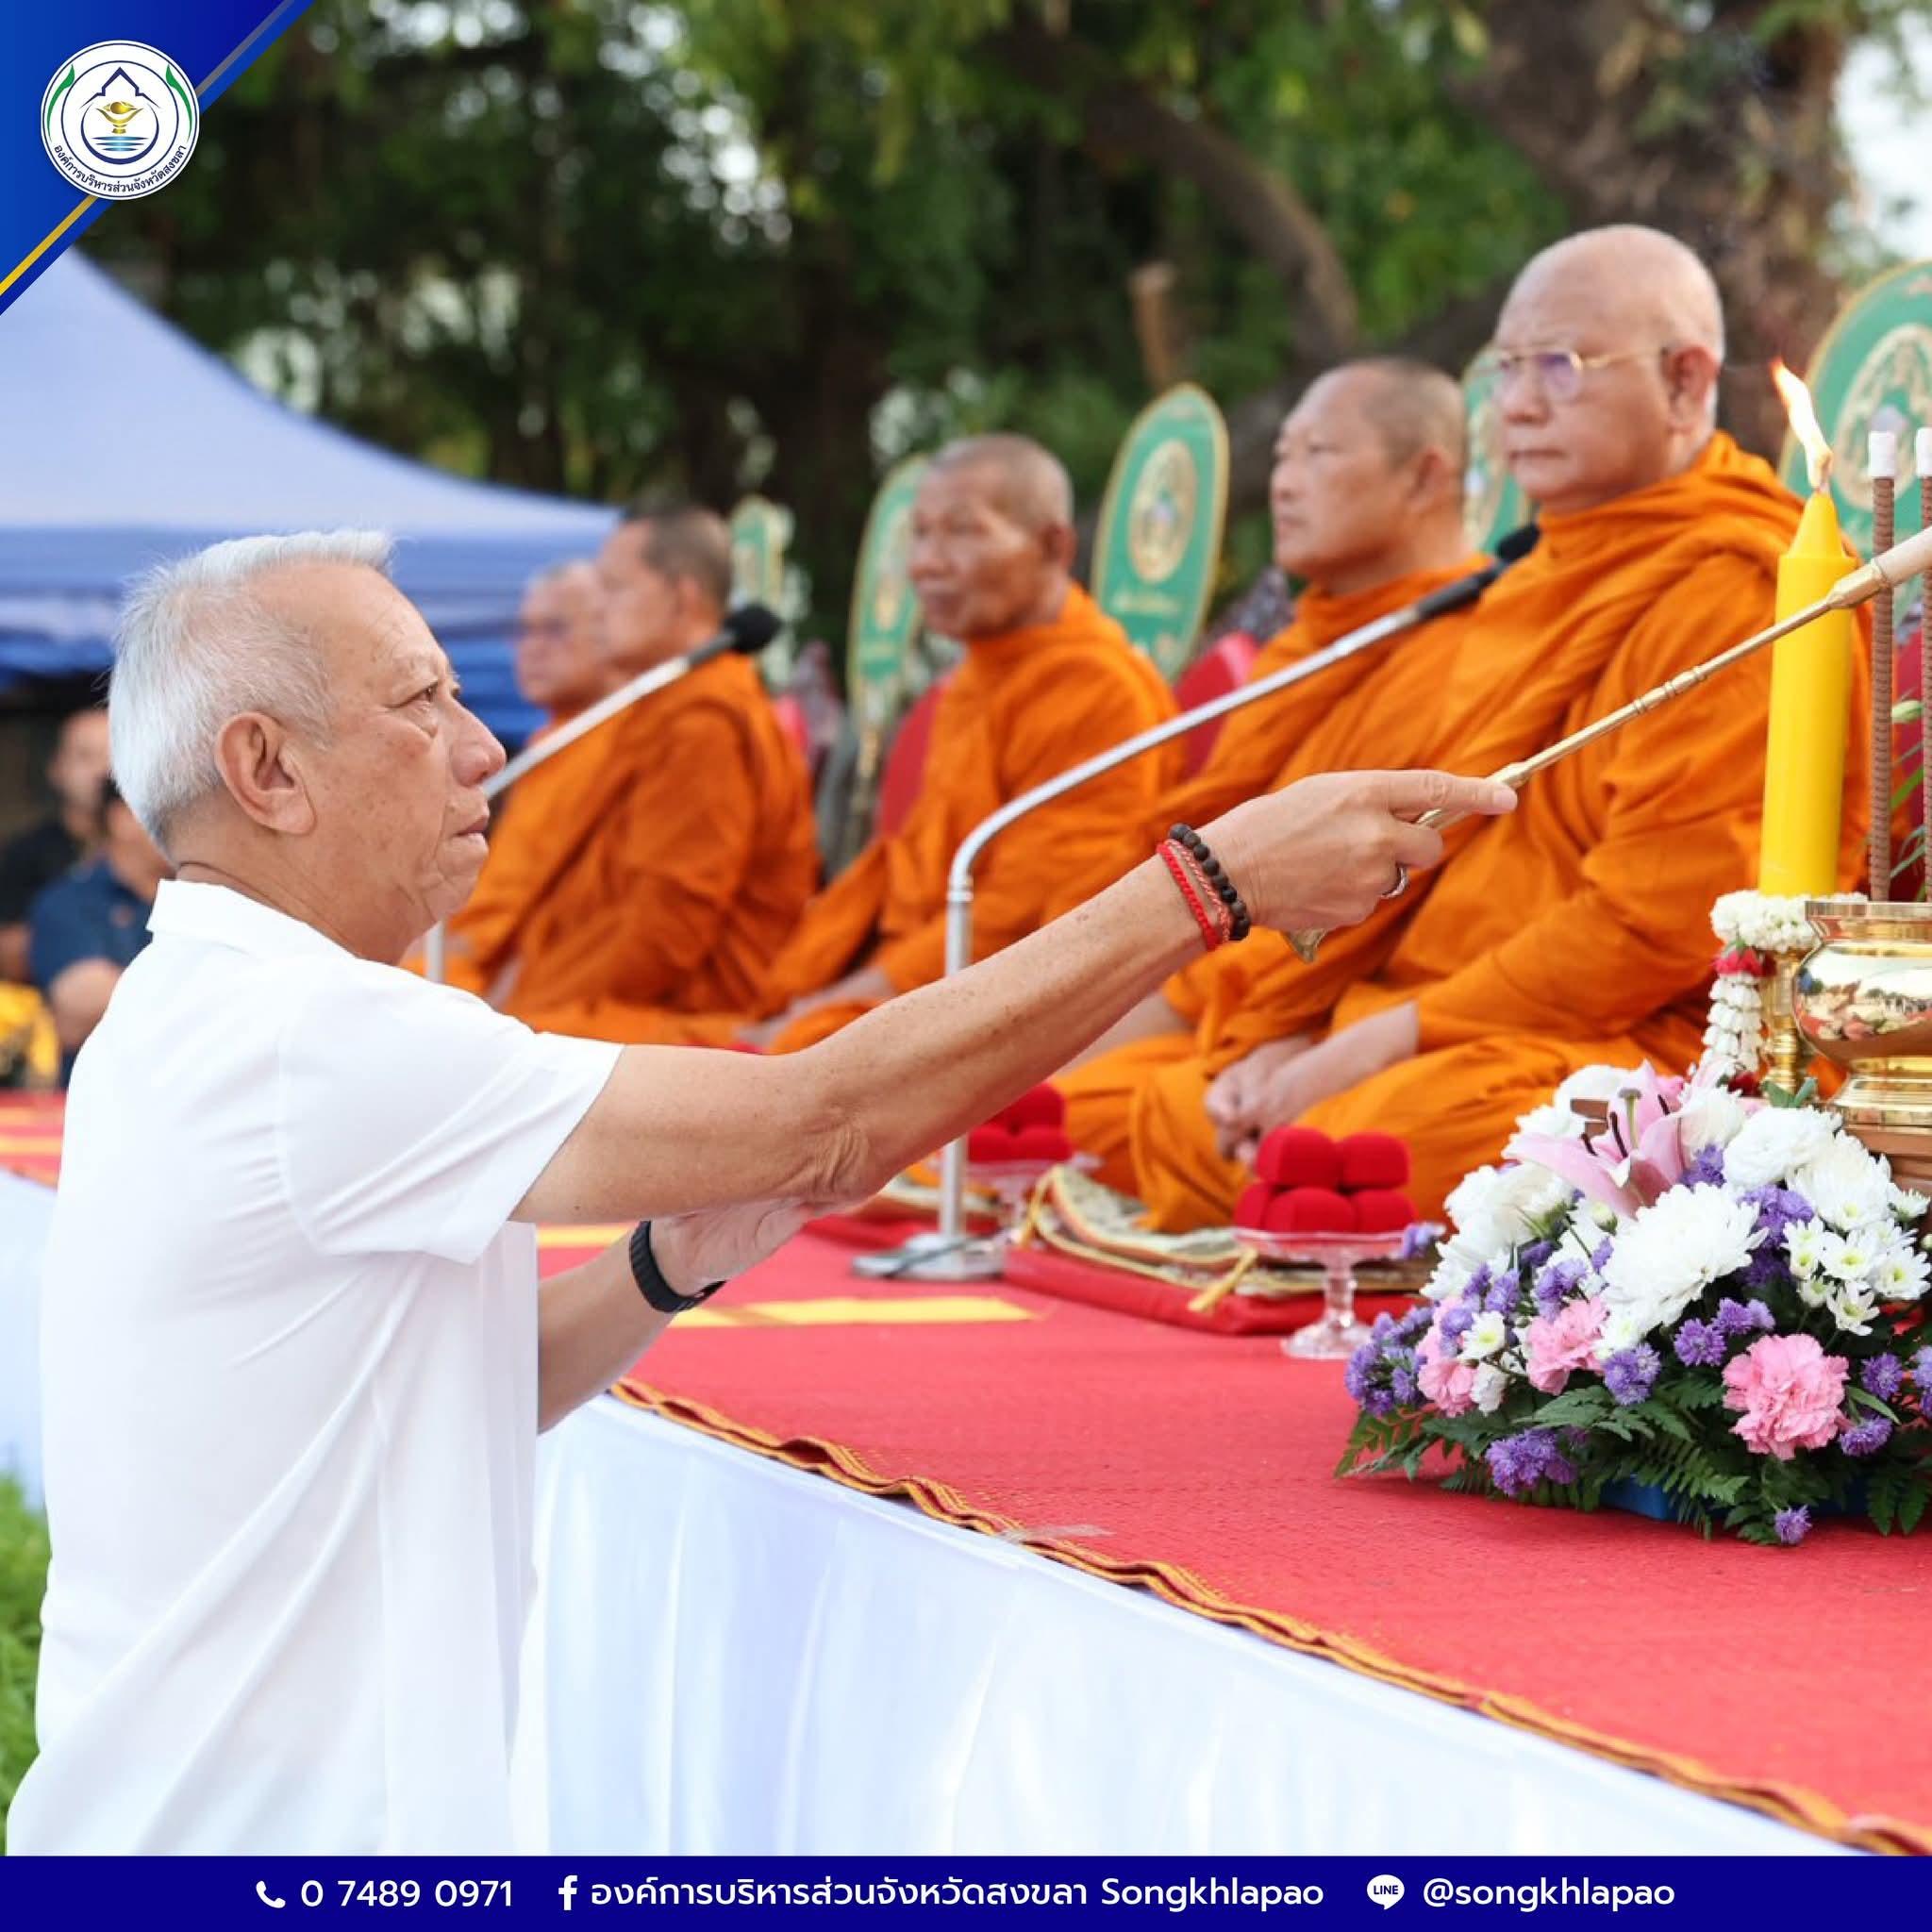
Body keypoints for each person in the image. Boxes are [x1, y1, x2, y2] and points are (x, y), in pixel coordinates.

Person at [9, 528, 1511, 1852]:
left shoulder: (212, 1003)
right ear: (269, 770)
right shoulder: (304, 1036)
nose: (481, 751)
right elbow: (827, 1121)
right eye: (424, 704)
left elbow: (469, 1383)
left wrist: (667, 1265)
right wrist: (1208, 887)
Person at [1060, 224, 1873, 1227]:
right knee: (1152, 1105)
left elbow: (1654, 925)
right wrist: (1315, 1031)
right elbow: (1423, 866)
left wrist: (1374, 1044)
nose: (1517, 404)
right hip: (1432, 1020)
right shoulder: (1524, 582)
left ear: (1683, 380)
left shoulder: (1739, 587)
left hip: (1633, 1039)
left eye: (1560, 366)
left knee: (1379, 1137)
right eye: (1505, 369)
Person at [738, 433, 1184, 1050]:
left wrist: (833, 1010)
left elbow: (1022, 923)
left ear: (1054, 546)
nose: (926, 562)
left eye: (962, 532)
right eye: (920, 534)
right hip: (912, 976)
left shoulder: (1100, 690)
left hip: (998, 1003)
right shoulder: (978, 676)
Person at [1046, 357, 1483, 934]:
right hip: (1200, 942)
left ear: (1424, 477)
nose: (1283, 484)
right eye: (1282, 456)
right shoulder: (1300, 648)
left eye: (1318, 453)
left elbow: (1359, 901)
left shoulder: (1472, 648)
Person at [489, 504, 817, 1028]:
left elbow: (665, 930)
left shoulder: (705, 722)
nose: (597, 611)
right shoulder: (656, 711)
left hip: (683, 1018)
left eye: (615, 589)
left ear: (682, 599)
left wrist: (528, 1018)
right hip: (590, 996)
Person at [440, 561, 619, 999]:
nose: (533, 648)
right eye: (525, 631)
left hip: (533, 981)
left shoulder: (624, 745)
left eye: (555, 629)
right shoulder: (549, 744)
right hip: (471, 955)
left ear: (609, 631)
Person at [27, 775, 169, 1076]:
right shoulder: (68, 901)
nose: (183, 826)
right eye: (166, 810)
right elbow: (81, 1003)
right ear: (122, 818)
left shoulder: (199, 895)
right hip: (100, 1090)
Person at [0, 706, 111, 983]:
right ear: (56, 768)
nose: (103, 770)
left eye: (114, 756)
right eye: (86, 756)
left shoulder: (156, 848)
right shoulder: (25, 854)